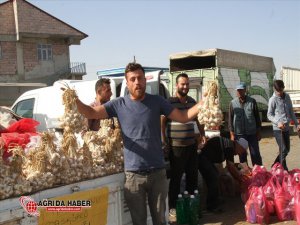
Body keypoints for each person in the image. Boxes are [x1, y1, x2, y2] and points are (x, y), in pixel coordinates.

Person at [75, 62, 202, 225]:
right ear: (127, 83)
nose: (137, 82)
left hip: (157, 173)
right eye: (133, 79)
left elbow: (183, 117)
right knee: (139, 222)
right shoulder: (118, 104)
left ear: (145, 80)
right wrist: (75, 99)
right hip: (134, 176)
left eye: (140, 78)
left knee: (160, 221)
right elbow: (91, 112)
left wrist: (202, 103)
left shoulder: (157, 101)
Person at [161, 73, 206, 215]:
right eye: (182, 84)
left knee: (192, 177)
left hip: (191, 146)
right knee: (176, 179)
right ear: (176, 85)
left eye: (187, 84)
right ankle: (173, 208)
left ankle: (192, 207)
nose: (185, 86)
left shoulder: (193, 102)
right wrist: (164, 141)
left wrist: (202, 135)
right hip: (176, 148)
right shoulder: (169, 102)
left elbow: (198, 121)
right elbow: (162, 122)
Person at [198, 136, 248, 212]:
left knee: (215, 175)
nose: (240, 153)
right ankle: (211, 206)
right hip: (203, 157)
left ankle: (216, 199)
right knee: (213, 178)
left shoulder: (231, 146)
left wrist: (243, 170)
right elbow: (230, 166)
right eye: (242, 151)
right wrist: (240, 180)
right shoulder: (230, 147)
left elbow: (234, 164)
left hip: (207, 158)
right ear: (239, 145)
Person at [267, 80, 300, 171]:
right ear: (274, 89)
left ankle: (281, 167)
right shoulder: (272, 99)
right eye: (277, 91)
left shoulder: (287, 97)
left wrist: (297, 124)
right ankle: (279, 168)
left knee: (287, 150)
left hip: (286, 128)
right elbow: (269, 115)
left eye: (281, 90)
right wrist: (278, 122)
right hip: (278, 129)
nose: (279, 93)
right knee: (284, 149)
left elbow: (291, 111)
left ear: (283, 88)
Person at [228, 82, 263, 166]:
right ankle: (246, 174)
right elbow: (230, 119)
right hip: (239, 134)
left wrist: (258, 132)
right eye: (238, 90)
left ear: (245, 90)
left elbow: (257, 118)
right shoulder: (232, 103)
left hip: (252, 133)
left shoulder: (252, 101)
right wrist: (232, 134)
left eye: (241, 90)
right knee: (242, 155)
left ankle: (258, 172)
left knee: (255, 154)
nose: (239, 92)